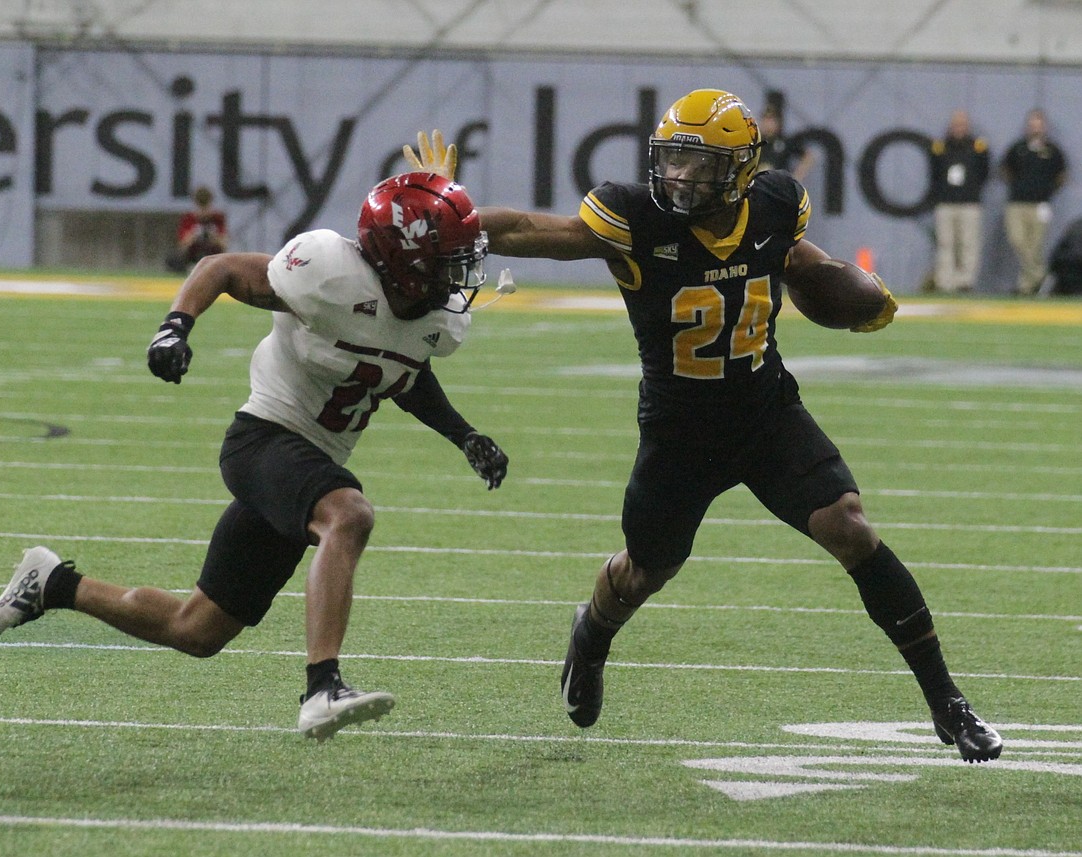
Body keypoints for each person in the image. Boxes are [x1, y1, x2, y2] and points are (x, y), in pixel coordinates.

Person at [405, 92, 1003, 763]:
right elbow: (523, 231)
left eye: (701, 162)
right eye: (676, 159)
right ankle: (593, 632)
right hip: (679, 432)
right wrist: (446, 216)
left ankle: (946, 700)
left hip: (764, 413)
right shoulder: (634, 218)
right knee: (644, 571)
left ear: (742, 169)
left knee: (850, 525)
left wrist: (855, 292)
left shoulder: (774, 206)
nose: (682, 176)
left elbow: (805, 265)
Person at [0, 172, 510, 741]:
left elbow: (403, 373)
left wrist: (464, 435)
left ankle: (53, 583)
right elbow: (221, 268)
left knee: (197, 630)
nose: (459, 276)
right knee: (348, 515)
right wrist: (174, 328)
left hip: (305, 463)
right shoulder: (330, 275)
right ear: (402, 257)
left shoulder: (429, 319)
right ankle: (322, 687)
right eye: (446, 259)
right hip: (265, 441)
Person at [1000, 108, 1068, 295]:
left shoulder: (1053, 151)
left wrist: (1046, 190)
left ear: (1044, 127)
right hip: (1017, 203)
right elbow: (1005, 170)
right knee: (1017, 240)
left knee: (1035, 244)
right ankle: (1040, 274)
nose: (1035, 128)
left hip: (1040, 204)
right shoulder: (1018, 148)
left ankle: (1026, 286)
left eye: (1039, 124)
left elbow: (1062, 175)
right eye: (1032, 124)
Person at [929, 110, 990, 293]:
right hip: (946, 202)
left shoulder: (977, 147)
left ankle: (965, 281)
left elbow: (984, 173)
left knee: (968, 242)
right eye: (956, 124)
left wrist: (972, 190)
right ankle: (945, 282)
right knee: (945, 242)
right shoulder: (941, 147)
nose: (959, 128)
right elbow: (934, 174)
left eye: (962, 124)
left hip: (969, 202)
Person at [166, 185, 229, 273]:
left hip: (211, 256)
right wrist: (195, 233)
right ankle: (192, 268)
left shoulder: (217, 219)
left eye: (206, 208)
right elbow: (182, 245)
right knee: (172, 260)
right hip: (192, 256)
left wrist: (213, 235)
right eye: (201, 208)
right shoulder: (189, 218)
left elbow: (224, 245)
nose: (203, 212)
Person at [754, 95, 814, 181]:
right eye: (765, 119)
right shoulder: (756, 142)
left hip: (779, 187)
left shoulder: (785, 142)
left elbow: (808, 157)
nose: (767, 123)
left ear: (777, 122)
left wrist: (796, 178)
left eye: (771, 120)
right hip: (758, 187)